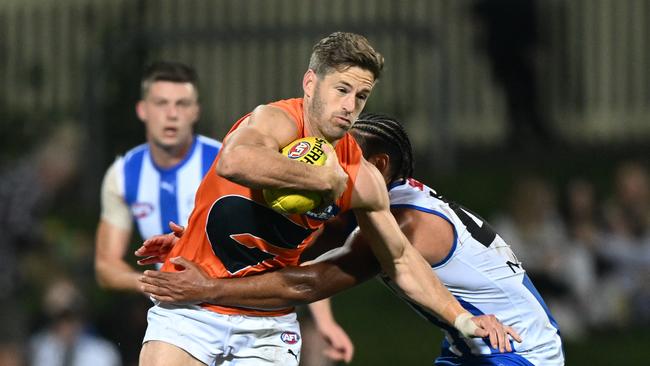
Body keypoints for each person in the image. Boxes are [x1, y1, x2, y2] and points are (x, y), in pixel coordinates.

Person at [136, 32, 516, 366]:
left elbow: (399, 258)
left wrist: (461, 318)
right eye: (342, 90)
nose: (350, 106)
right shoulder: (275, 120)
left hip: (267, 323)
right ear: (310, 83)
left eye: (362, 96)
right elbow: (235, 161)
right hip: (190, 301)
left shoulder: (363, 176)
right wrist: (323, 177)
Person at [137, 113, 562, 365]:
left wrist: (208, 286)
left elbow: (309, 282)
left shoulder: (408, 224)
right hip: (470, 345)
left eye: (343, 153)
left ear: (377, 163)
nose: (330, 163)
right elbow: (297, 248)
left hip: (517, 351)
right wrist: (204, 245)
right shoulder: (379, 201)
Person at [93, 61, 222, 363]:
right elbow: (105, 267)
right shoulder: (123, 175)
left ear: (195, 112)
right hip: (174, 314)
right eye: (161, 103)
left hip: (232, 303)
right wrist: (153, 284)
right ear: (142, 110)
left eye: (182, 103)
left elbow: (278, 244)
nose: (172, 113)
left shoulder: (225, 162)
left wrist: (322, 319)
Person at [27, 278, 122, 366]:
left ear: (81, 317)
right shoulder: (37, 349)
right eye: (59, 318)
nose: (65, 325)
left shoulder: (102, 352)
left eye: (70, 317)